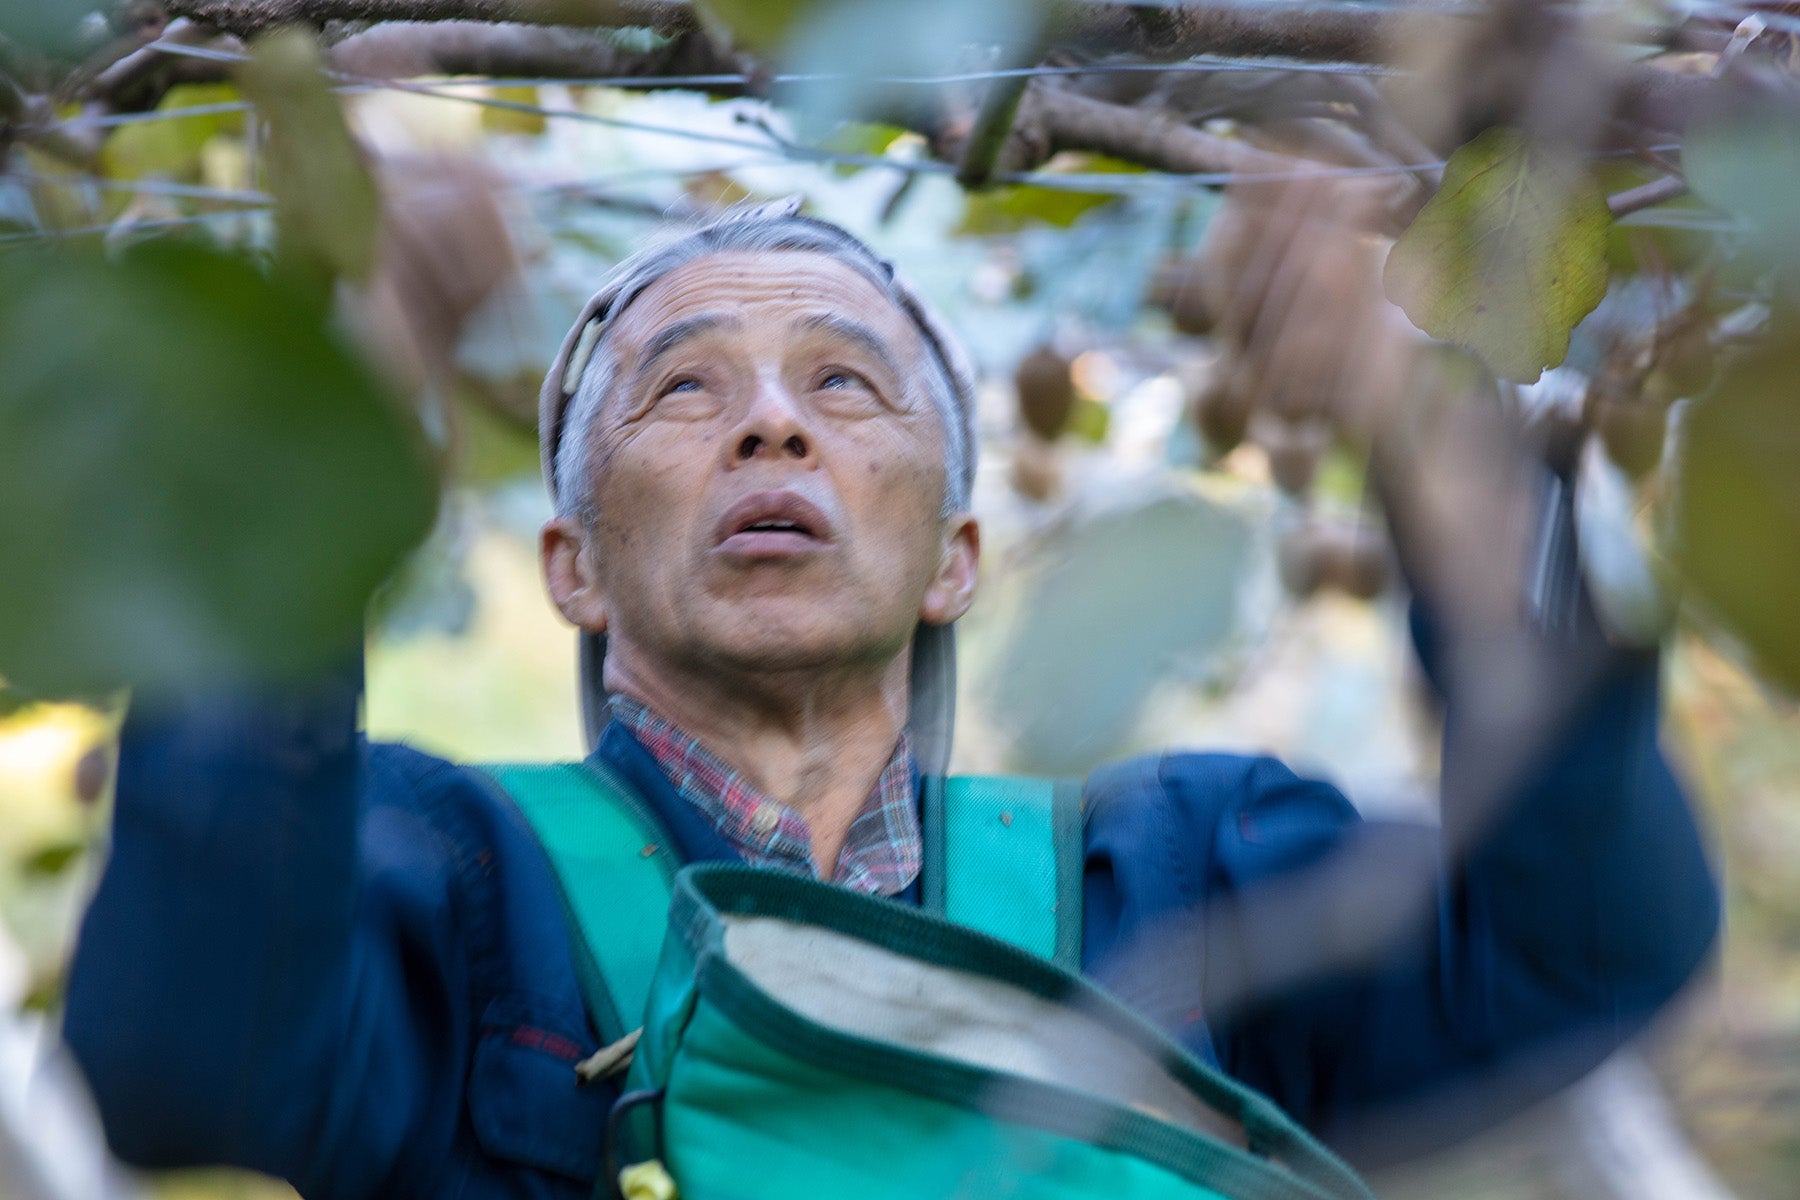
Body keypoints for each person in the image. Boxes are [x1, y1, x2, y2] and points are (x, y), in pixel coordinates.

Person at [64, 207, 1719, 1200]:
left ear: (956, 557)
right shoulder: (457, 889)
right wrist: (306, 457)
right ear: (572, 567)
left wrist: (1422, 435)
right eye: (684, 387)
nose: (771, 426)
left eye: (843, 384)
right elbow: (174, 1052)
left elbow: (1589, 938)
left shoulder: (1179, 880)